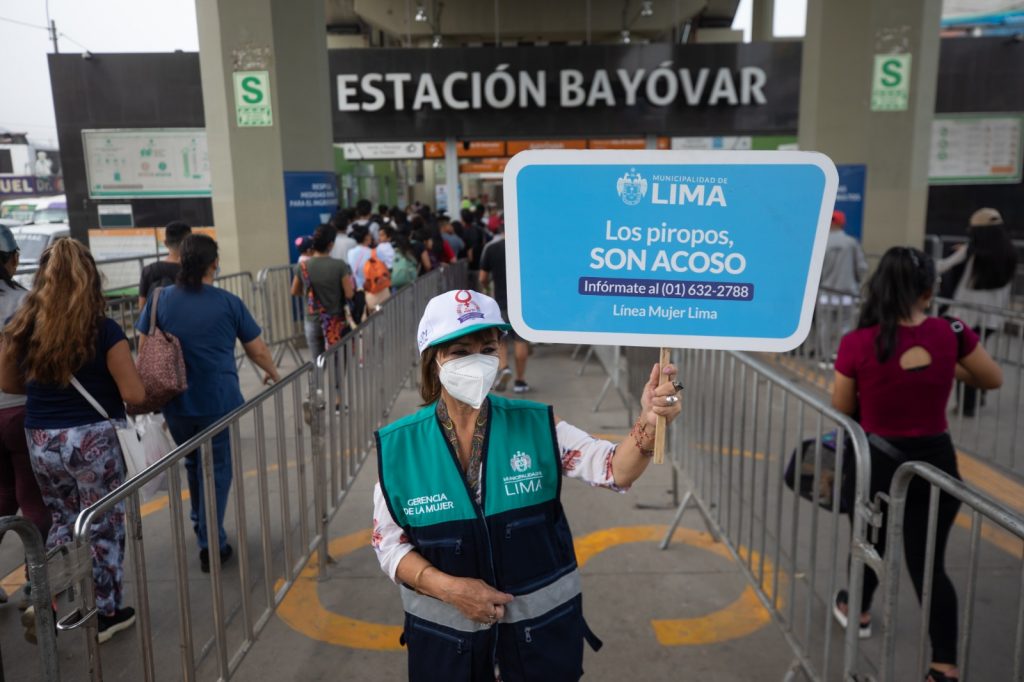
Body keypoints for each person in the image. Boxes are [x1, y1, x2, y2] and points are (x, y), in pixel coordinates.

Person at [371, 289, 683, 682]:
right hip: (446, 649)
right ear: (434, 359)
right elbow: (388, 543)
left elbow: (614, 469)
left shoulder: (538, 426)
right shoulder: (400, 446)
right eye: (459, 351)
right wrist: (449, 589)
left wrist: (649, 424)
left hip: (539, 645)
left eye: (487, 347)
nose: (476, 362)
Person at [831, 247, 1002, 682]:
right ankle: (944, 665)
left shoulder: (856, 343)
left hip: (877, 466)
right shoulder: (952, 333)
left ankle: (858, 610)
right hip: (937, 466)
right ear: (928, 292)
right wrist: (942, 369)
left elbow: (842, 405)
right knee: (929, 565)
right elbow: (991, 378)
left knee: (870, 544)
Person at [0, 238, 147, 643]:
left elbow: (9, 382)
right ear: (89, 278)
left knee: (62, 520)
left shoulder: (24, 325)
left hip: (42, 437)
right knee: (104, 525)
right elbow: (134, 395)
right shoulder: (104, 329)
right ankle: (106, 614)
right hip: (92, 441)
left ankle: (45, 598)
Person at [136, 234, 281, 572]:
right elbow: (256, 349)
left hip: (175, 400)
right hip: (218, 400)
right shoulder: (228, 302)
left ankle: (201, 523)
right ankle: (212, 542)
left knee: (191, 463)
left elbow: (144, 348)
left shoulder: (159, 299)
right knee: (217, 469)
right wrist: (272, 372)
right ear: (214, 263)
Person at [0, 226, 50, 609]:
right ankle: (37, 581)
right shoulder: (26, 302)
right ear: (12, 260)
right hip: (18, 409)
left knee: (1, 495)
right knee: (31, 494)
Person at [937, 207, 1018, 416]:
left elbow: (942, 266)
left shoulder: (972, 251)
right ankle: (978, 394)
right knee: (978, 355)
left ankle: (967, 406)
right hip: (992, 318)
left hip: (965, 316)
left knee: (964, 361)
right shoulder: (1009, 252)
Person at [291, 225, 355, 358]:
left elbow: (294, 291)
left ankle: (318, 379)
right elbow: (349, 294)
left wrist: (310, 294)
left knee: (318, 364)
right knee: (338, 362)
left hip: (312, 321)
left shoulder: (302, 267)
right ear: (331, 244)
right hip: (335, 322)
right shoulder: (339, 265)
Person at [479, 226, 529, 393]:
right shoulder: (525, 247)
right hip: (523, 303)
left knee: (501, 339)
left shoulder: (491, 248)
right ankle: (520, 381)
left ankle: (505, 367)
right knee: (520, 340)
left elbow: (483, 277)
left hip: (500, 302)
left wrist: (486, 290)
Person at [816, 210, 868, 364]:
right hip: (847, 294)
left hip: (825, 293)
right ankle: (839, 356)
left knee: (824, 325)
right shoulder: (851, 243)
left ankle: (825, 357)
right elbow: (862, 267)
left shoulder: (820, 242)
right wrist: (858, 284)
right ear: (842, 223)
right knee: (845, 325)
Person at [138, 221, 192, 309]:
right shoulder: (192, 270)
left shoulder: (149, 270)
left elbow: (142, 307)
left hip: (155, 322)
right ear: (189, 244)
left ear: (165, 243)